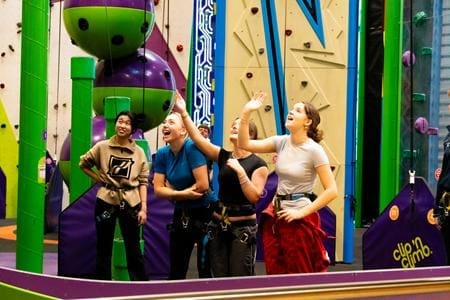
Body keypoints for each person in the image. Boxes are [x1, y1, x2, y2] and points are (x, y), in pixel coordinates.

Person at [238, 92, 338, 274]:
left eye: (297, 110)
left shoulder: (314, 150)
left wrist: (301, 212)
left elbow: (332, 190)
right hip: (277, 216)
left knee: (300, 273)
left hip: (299, 218)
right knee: (275, 273)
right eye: (291, 110)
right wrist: (247, 112)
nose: (290, 112)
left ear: (308, 122)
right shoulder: (281, 142)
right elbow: (244, 144)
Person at [173, 91, 269, 277]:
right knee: (219, 275)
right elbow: (198, 140)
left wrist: (241, 172)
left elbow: (254, 197)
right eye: (232, 126)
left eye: (239, 126)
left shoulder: (258, 164)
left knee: (239, 276)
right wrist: (184, 113)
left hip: (242, 228)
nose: (234, 128)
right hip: (218, 225)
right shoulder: (224, 155)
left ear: (250, 135)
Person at [79, 111, 149, 281]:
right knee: (103, 247)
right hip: (105, 201)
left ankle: (141, 287)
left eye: (127, 123)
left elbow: (143, 181)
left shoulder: (139, 152)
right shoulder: (102, 147)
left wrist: (143, 208)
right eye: (120, 121)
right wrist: (98, 178)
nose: (122, 125)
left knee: (133, 248)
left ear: (132, 129)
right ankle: (102, 285)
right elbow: (83, 163)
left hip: (131, 202)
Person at [153, 111, 213, 280]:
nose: (165, 125)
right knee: (176, 268)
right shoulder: (162, 154)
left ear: (183, 131)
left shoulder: (191, 148)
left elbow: (202, 185)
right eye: (164, 122)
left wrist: (171, 192)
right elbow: (158, 189)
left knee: (204, 268)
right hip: (181, 212)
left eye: (171, 122)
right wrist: (182, 194)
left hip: (205, 212)